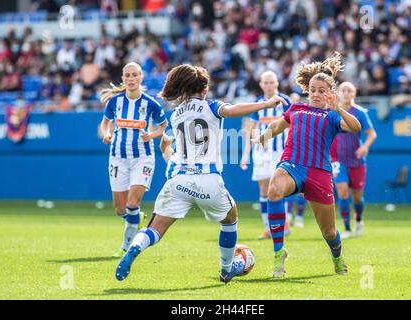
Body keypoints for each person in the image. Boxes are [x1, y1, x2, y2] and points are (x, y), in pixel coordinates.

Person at [114, 64, 288, 283]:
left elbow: (172, 152)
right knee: (230, 218)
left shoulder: (177, 114)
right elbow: (233, 110)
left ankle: (134, 248)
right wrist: (266, 103)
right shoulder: (211, 106)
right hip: (208, 180)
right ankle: (226, 269)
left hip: (178, 181)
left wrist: (165, 149)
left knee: (155, 229)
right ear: (204, 89)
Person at [252, 52, 361, 277]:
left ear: (331, 93)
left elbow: (355, 127)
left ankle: (337, 256)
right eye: (313, 90)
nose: (316, 94)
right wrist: (264, 135)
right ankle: (278, 253)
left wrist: (338, 108)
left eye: (321, 91)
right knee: (274, 190)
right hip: (292, 165)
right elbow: (277, 126)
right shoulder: (296, 108)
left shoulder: (332, 116)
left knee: (329, 232)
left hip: (319, 173)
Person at [99, 62, 167, 258]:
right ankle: (137, 218)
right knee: (120, 209)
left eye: (134, 75)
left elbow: (163, 126)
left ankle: (126, 246)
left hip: (142, 159)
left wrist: (152, 135)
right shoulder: (115, 102)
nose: (130, 79)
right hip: (118, 158)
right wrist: (106, 135)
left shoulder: (150, 103)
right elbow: (105, 124)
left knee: (132, 203)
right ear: (123, 79)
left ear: (141, 78)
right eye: (127, 75)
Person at [240, 70, 293, 240]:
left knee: (279, 189)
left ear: (277, 83)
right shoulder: (258, 104)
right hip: (261, 152)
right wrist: (245, 155)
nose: (269, 85)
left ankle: (283, 223)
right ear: (261, 84)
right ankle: (267, 227)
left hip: (281, 152)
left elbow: (293, 125)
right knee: (264, 190)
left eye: (272, 82)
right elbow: (250, 131)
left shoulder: (286, 102)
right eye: (266, 82)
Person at [331, 82, 377, 239]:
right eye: (343, 90)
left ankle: (358, 219)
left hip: (356, 160)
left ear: (354, 93)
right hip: (337, 160)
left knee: (357, 196)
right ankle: (347, 228)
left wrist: (365, 147)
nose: (346, 93)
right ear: (338, 93)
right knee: (342, 191)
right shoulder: (332, 111)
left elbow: (372, 134)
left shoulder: (360, 112)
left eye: (349, 90)